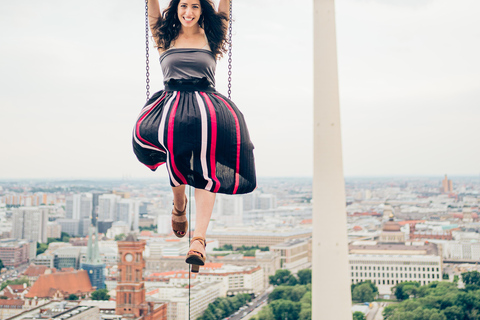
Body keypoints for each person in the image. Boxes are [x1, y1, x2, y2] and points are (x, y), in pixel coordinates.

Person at [132, 0, 256, 272]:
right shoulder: (164, 35)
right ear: (176, 8)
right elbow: (152, 6)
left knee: (207, 165)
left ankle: (198, 240)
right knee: (174, 148)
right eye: (184, 5)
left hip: (205, 105)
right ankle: (179, 205)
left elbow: (225, 7)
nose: (189, 12)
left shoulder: (212, 35)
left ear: (203, 11)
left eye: (195, 7)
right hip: (172, 104)